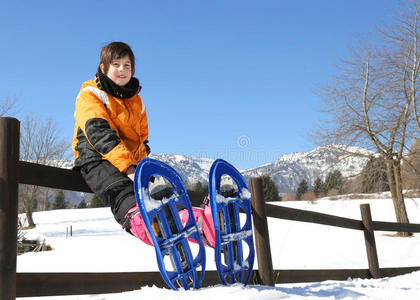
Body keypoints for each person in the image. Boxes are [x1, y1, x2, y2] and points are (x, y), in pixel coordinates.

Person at [72, 41, 214, 247]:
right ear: (103, 68)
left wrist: (140, 169)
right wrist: (129, 168)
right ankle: (148, 226)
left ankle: (202, 225)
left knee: (160, 194)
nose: (122, 70)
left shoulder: (136, 101)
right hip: (96, 157)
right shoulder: (91, 94)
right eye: (116, 65)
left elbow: (141, 141)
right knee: (122, 192)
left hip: (130, 161)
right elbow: (99, 134)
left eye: (127, 65)